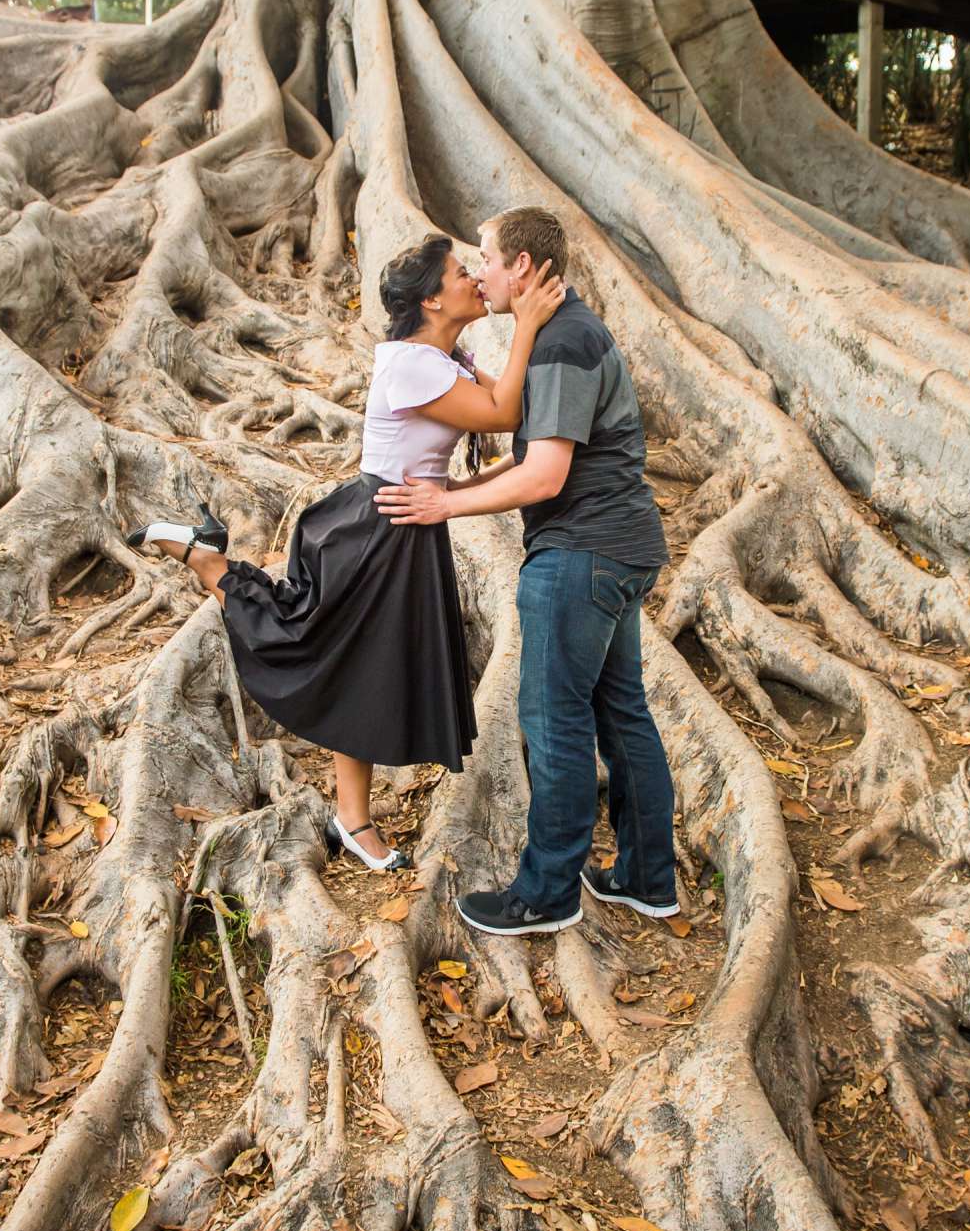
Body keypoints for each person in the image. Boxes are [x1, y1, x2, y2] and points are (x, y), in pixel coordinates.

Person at [127, 235, 560, 871]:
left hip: (406, 525)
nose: (473, 278)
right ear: (433, 299)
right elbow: (504, 410)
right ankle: (209, 563)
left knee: (355, 667)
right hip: (378, 528)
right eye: (459, 273)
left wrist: (467, 484)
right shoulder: (414, 362)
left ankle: (352, 822)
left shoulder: (449, 355)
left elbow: (501, 414)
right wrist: (526, 325)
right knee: (315, 647)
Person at [375, 207, 677, 935]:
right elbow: (539, 447)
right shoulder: (556, 335)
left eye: (485, 256)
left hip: (583, 555)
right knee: (619, 708)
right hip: (615, 548)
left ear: (524, 268)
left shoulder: (564, 342)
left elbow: (545, 477)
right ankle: (645, 875)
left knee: (554, 719)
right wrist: (459, 491)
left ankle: (547, 890)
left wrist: (447, 506)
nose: (479, 271)